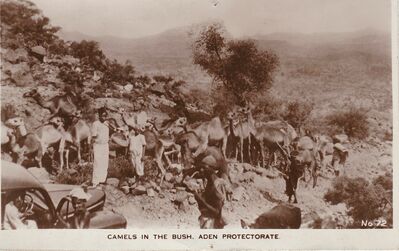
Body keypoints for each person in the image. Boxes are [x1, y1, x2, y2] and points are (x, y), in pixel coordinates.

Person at [90, 107, 110, 187]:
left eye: (106, 116)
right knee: (97, 163)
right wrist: (91, 148)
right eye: (103, 116)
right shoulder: (95, 124)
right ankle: (95, 182)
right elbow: (93, 137)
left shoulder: (106, 124)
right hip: (98, 145)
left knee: (104, 163)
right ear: (99, 116)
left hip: (105, 145)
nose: (104, 118)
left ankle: (102, 180)